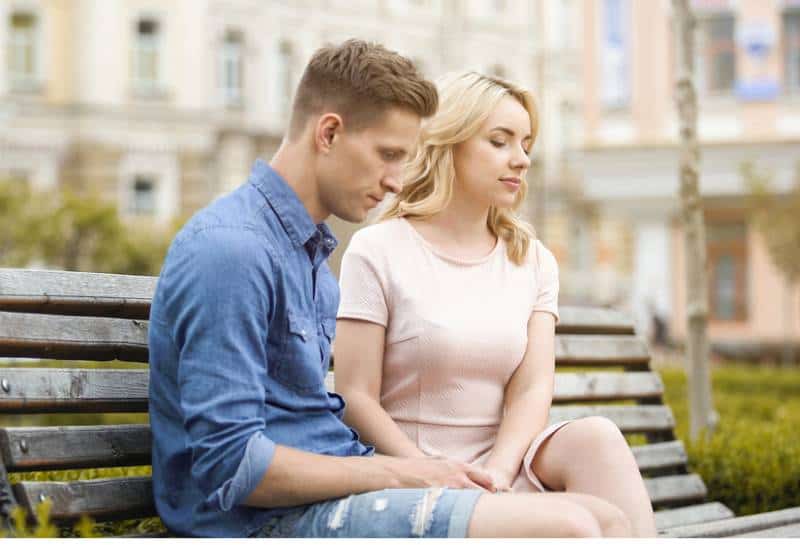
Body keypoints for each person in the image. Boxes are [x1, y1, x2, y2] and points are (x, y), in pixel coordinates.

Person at [148, 40, 631, 538]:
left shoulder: (307, 254)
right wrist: (405, 473)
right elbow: (231, 464)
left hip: (330, 496)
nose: (398, 182)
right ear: (329, 133)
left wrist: (405, 474)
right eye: (389, 155)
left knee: (608, 519)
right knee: (572, 528)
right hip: (266, 523)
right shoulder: (232, 249)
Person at [334, 71, 657, 537]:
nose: (521, 159)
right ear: (451, 144)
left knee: (598, 438)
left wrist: (499, 475)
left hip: (499, 472)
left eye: (526, 144)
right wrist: (428, 471)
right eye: (500, 142)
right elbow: (356, 396)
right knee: (589, 526)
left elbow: (531, 389)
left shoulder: (534, 260)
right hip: (411, 476)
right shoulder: (378, 250)